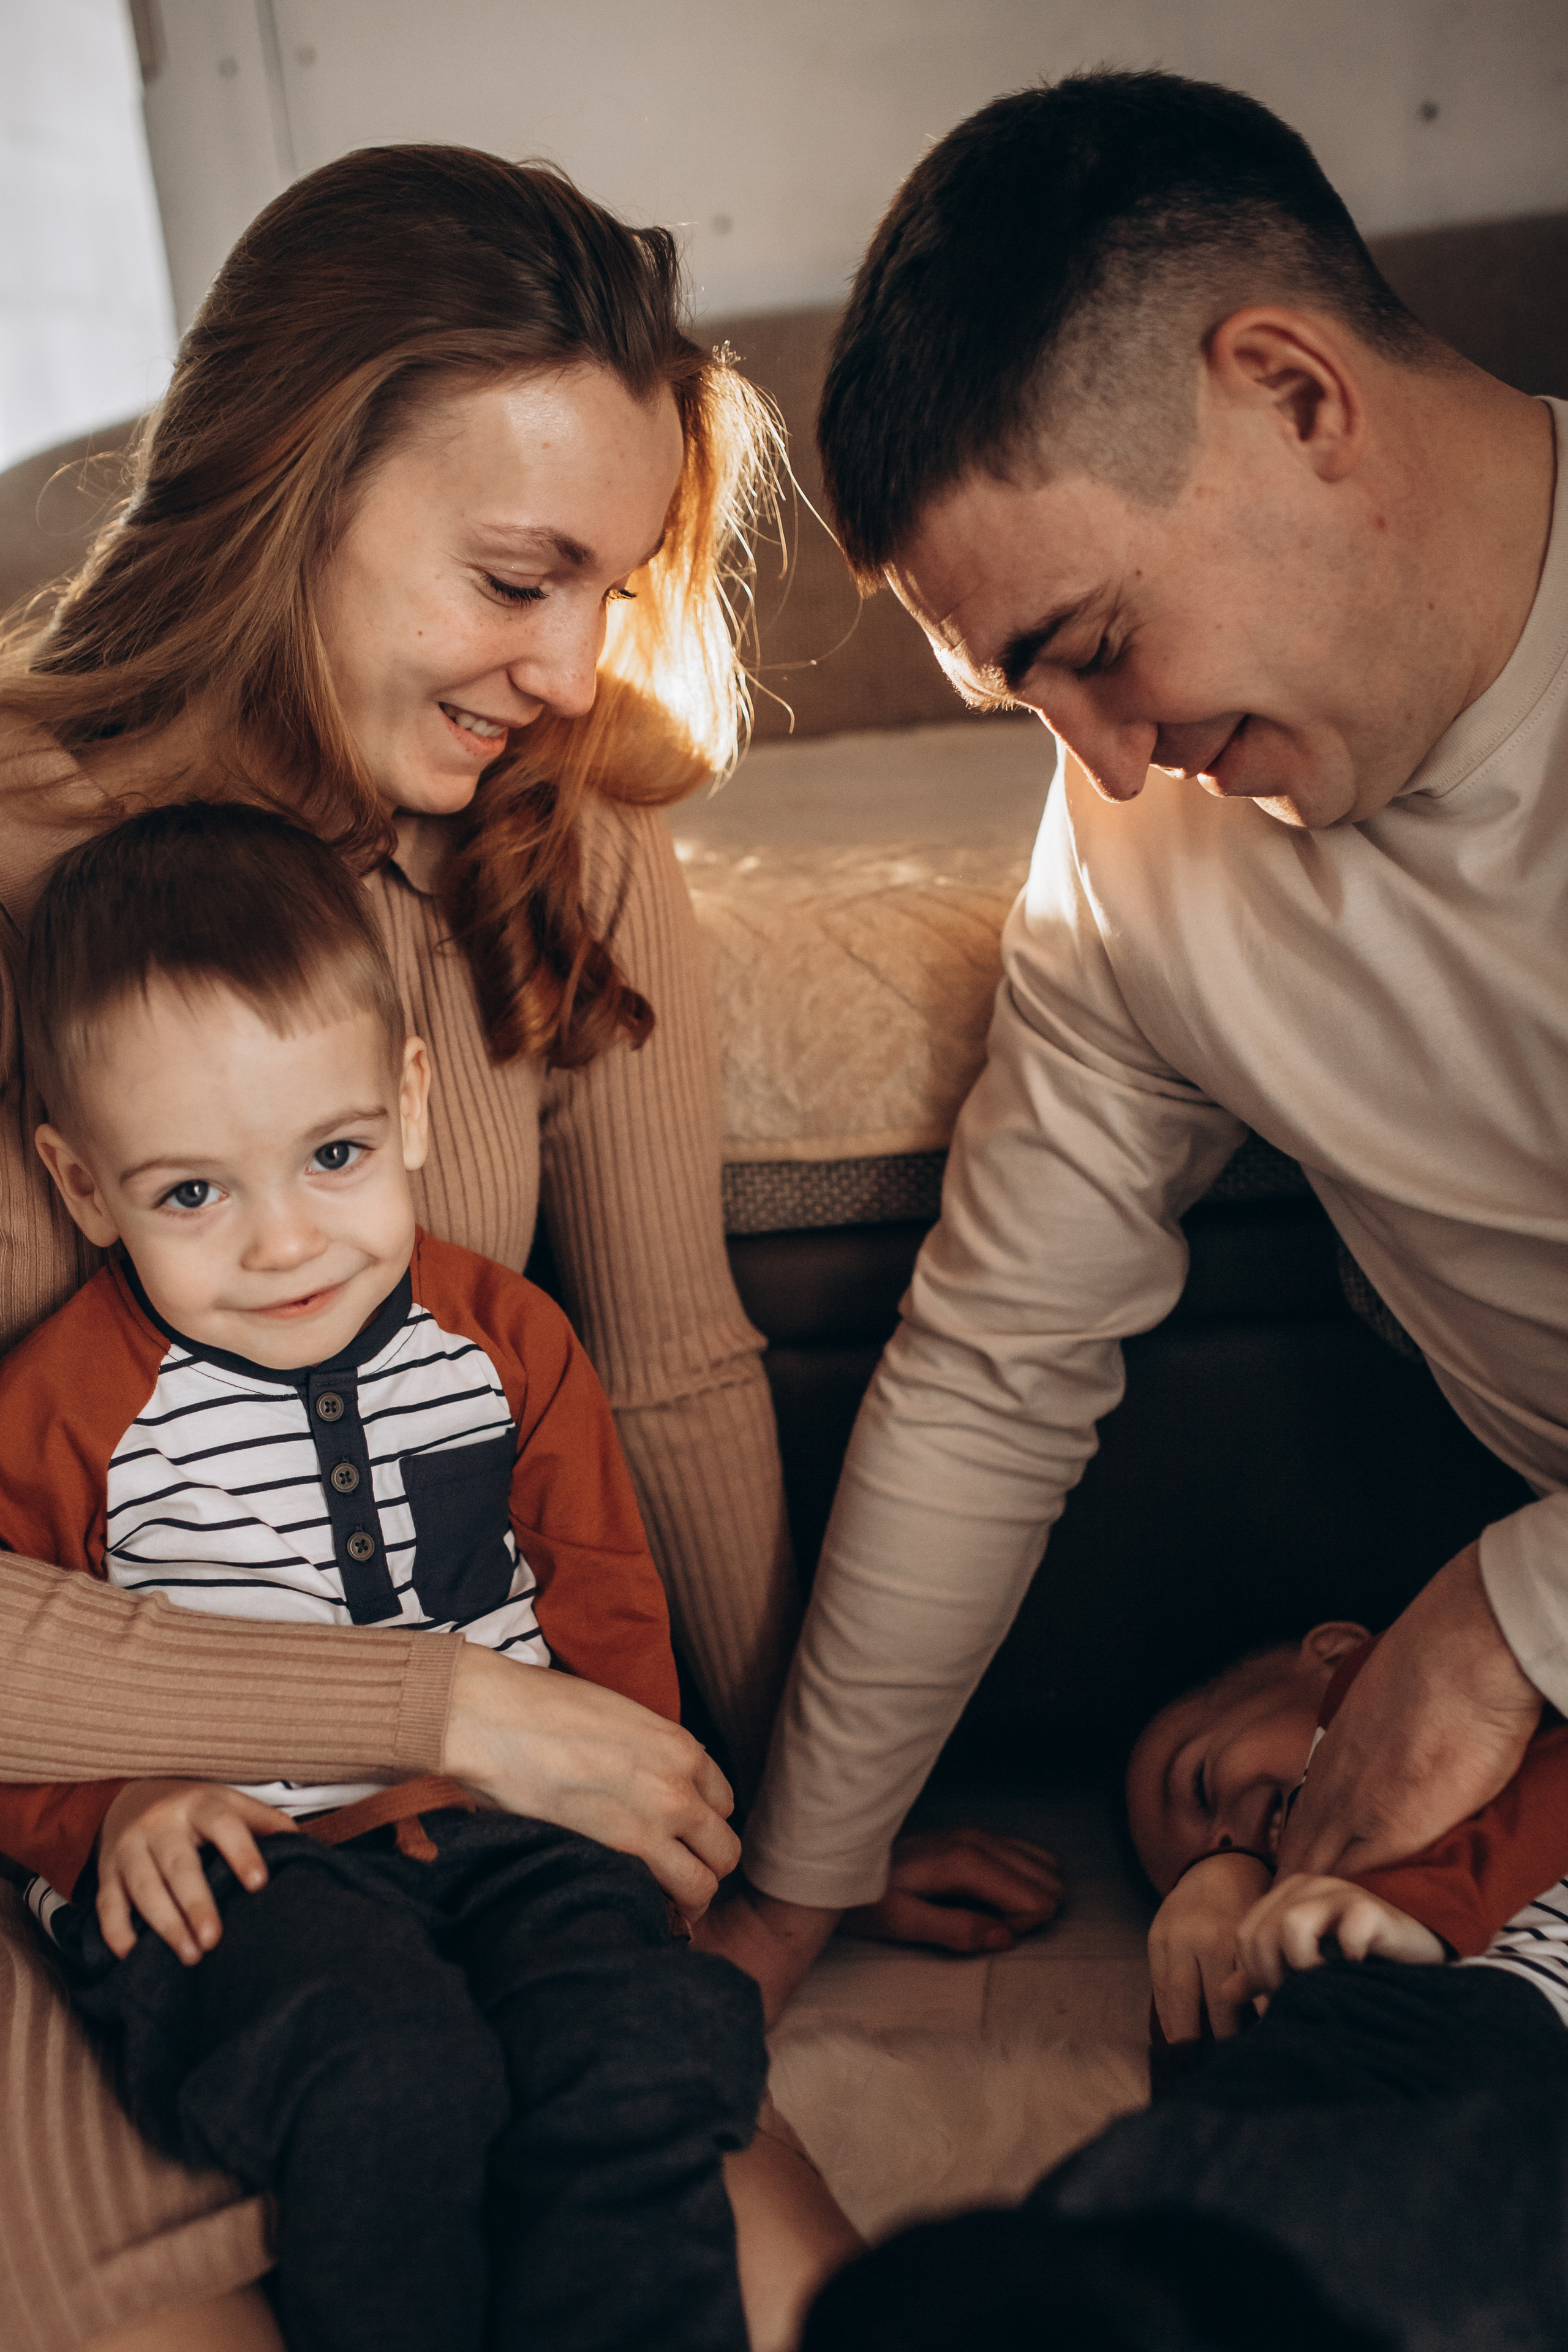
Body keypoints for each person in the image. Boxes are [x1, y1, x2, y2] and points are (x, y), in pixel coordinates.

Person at [0, 144, 1016, 2352]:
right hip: (91, 1860)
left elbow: (669, 1372)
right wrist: (445, 1702)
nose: (569, 674)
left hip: (482, 1850)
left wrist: (769, 1834)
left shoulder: (566, 860)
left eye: (608, 588)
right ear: (299, 482)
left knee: (756, 2264)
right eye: (512, 576)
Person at [702, 69, 1567, 2032]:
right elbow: (996, 1368)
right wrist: (787, 1889)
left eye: (1093, 641)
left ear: (1295, 395)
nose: (1100, 762)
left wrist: (1511, 1614)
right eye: (1024, 694)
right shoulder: (1133, 847)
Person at [0, 799, 771, 2352]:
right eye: (192, 1193)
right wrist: (112, 1814)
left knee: (630, 2052)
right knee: (387, 2076)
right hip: (248, 1872)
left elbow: (601, 1602)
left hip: (513, 1833)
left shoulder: (505, 1339)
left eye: (333, 1154)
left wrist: (643, 1812)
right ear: (84, 1186)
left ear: (411, 1104)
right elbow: (28, 1678)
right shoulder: (62, 1400)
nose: (287, 1242)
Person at [804, 1626, 1568, 2350]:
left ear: (1334, 1650)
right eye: (1200, 1859)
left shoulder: (1424, 1686)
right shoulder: (1326, 1934)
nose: (1227, 1839)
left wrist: (1247, 1874)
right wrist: (1230, 1899)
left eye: (1200, 1785)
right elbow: (1208, 2093)